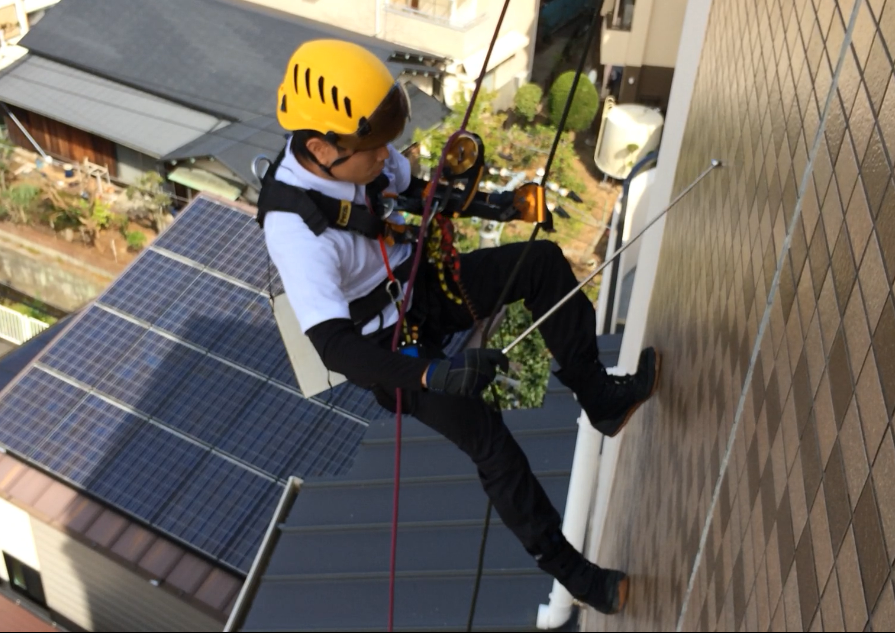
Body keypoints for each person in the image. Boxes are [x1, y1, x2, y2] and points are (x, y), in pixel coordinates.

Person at [260, 39, 661, 615]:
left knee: (542, 264)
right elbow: (335, 348)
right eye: (374, 148)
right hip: (387, 345)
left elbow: (413, 194)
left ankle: (600, 397)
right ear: (321, 148)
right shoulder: (296, 232)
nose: (386, 155)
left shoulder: (358, 150)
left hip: (426, 286)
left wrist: (501, 206)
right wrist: (432, 376)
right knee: (491, 444)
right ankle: (575, 575)